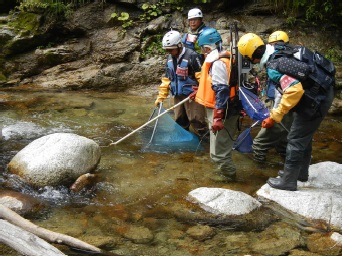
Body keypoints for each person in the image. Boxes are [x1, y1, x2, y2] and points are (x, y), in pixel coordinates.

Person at [237, 33, 334, 191]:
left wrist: (275, 116)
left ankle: (289, 181)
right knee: (304, 136)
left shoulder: (273, 67)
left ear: (251, 56)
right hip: (324, 89)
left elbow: (294, 90)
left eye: (247, 58)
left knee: (295, 138)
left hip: (318, 98)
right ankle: (300, 173)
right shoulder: (280, 48)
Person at [193, 28, 240, 182]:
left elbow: (222, 90)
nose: (203, 52)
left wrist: (218, 117)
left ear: (208, 47)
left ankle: (231, 181)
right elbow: (215, 85)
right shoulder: (222, 58)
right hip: (220, 109)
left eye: (203, 48)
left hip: (222, 111)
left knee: (219, 154)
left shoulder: (218, 62)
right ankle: (224, 176)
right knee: (218, 150)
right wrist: (200, 91)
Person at [155, 30, 209, 139]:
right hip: (178, 96)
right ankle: (184, 148)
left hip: (192, 96)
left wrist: (201, 91)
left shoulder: (192, 56)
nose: (169, 52)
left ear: (179, 45)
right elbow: (166, 79)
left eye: (171, 49)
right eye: (167, 50)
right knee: (180, 120)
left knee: (197, 120)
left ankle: (206, 144)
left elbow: (202, 78)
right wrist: (161, 97)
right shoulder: (170, 59)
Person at [252, 31, 293, 162]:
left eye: (278, 45)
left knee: (258, 143)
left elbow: (282, 94)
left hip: (282, 108)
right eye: (273, 45)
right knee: (282, 142)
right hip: (278, 106)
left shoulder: (280, 64)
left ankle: (259, 176)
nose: (275, 48)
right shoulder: (280, 61)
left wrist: (273, 117)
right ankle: (287, 169)